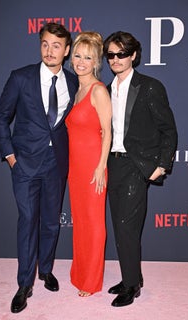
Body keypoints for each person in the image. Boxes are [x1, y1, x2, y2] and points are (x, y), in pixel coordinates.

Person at [0, 22, 79, 314]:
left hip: (57, 165)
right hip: (25, 164)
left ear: (67, 50)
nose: (49, 50)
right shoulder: (20, 78)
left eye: (56, 45)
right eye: (45, 44)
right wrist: (10, 156)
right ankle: (24, 283)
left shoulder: (73, 81)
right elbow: (1, 117)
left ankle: (46, 271)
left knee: (51, 223)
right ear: (39, 45)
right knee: (28, 220)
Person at [103, 31, 178, 307]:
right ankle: (129, 277)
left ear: (134, 55)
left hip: (138, 164)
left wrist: (162, 164)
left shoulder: (149, 86)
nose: (116, 59)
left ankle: (132, 285)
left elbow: (168, 130)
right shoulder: (105, 89)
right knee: (119, 226)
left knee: (126, 227)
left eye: (121, 53)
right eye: (110, 54)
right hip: (113, 163)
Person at [65, 31, 112, 298]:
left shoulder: (98, 90)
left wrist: (100, 166)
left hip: (93, 166)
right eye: (78, 56)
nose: (81, 61)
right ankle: (79, 271)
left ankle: (91, 281)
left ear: (96, 62)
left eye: (88, 58)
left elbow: (107, 131)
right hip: (76, 167)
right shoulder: (77, 88)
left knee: (94, 223)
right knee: (81, 221)